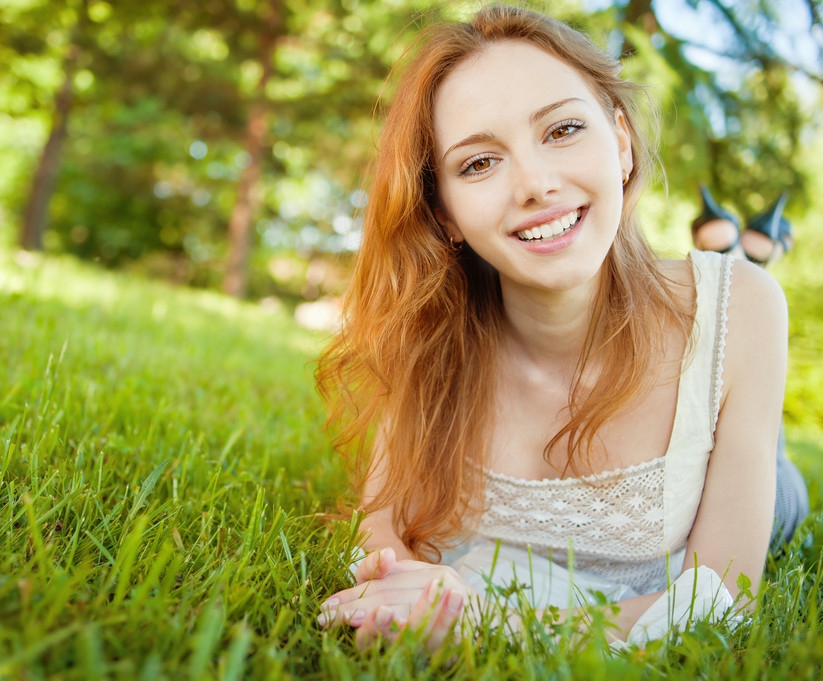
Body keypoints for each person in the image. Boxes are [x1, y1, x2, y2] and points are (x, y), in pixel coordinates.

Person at [313, 3, 809, 652]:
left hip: (740, 458)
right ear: (447, 215)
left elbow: (720, 602)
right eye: (478, 164)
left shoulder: (744, 307)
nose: (536, 184)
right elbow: (377, 527)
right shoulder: (429, 329)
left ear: (621, 143)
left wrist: (483, 622)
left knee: (782, 498)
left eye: (563, 129)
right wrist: (394, 588)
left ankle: (743, 250)